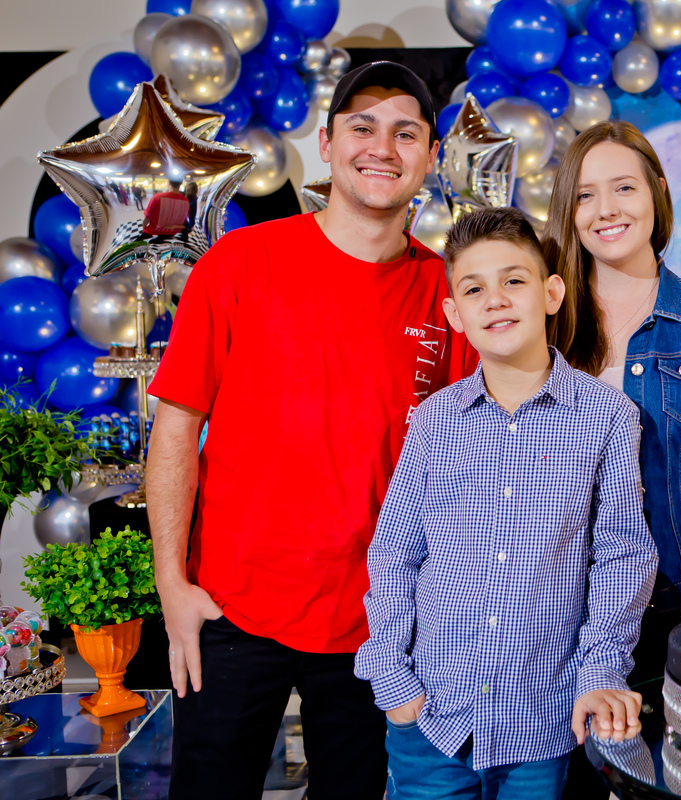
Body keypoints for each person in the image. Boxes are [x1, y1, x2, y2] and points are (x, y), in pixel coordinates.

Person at [145, 62, 476, 800]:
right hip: (232, 607)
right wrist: (172, 585)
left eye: (405, 133)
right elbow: (176, 428)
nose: (382, 148)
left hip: (378, 623)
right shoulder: (240, 263)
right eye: (362, 127)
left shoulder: (449, 295)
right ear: (327, 144)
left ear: (430, 156)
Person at [355, 206, 658, 799]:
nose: (495, 300)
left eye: (513, 280)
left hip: (543, 722)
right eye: (474, 289)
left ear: (551, 294)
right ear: (455, 314)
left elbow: (621, 558)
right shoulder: (434, 421)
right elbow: (394, 554)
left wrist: (599, 672)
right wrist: (393, 678)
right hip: (431, 717)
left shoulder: (607, 417)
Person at [542, 121, 681, 793]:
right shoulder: (539, 314)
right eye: (585, 195)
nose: (605, 210)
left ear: (658, 192)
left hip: (662, 601)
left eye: (624, 188)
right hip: (540, 601)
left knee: (660, 780)